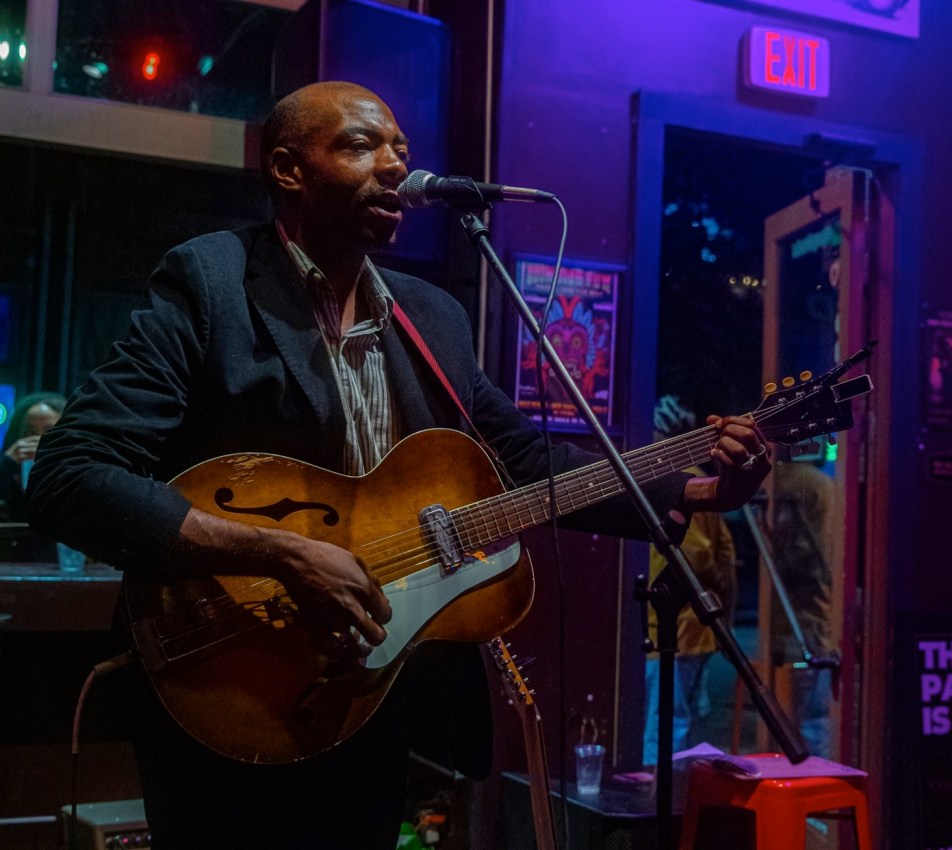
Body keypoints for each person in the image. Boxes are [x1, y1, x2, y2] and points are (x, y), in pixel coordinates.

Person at [26, 81, 771, 848]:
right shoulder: (211, 283)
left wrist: (697, 487)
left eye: (401, 150)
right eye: (360, 145)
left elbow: (524, 459)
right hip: (230, 677)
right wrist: (282, 554)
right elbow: (70, 475)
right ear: (288, 169)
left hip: (369, 690)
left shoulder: (431, 315)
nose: (393, 166)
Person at [642, 395, 738, 766]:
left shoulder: (676, 479)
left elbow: (696, 552)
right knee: (679, 723)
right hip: (692, 630)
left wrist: (715, 583)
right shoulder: (700, 478)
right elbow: (726, 550)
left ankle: (662, 792)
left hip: (677, 626)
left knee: (666, 726)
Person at [769, 441, 838, 758]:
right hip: (815, 610)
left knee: (805, 715)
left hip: (800, 611)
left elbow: (802, 551)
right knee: (813, 717)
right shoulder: (822, 484)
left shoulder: (787, 481)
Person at [0, 392, 66, 522]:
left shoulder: (74, 470)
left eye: (49, 432)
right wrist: (4, 467)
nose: (38, 440)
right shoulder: (8, 470)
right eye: (29, 432)